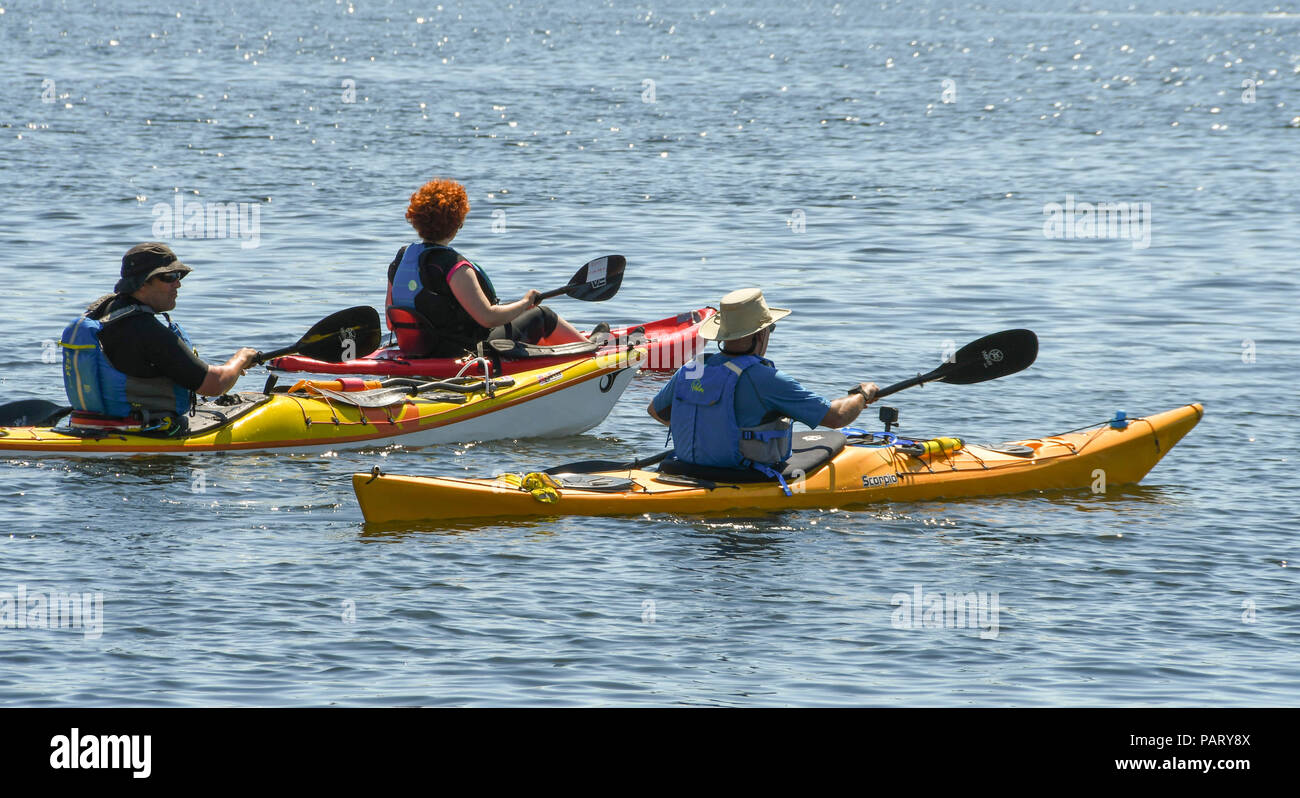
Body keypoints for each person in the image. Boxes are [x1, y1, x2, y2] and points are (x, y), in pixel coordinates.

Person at [648, 287, 880, 472]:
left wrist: (706, 432)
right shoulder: (766, 379)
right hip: (743, 474)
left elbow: (656, 412)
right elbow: (837, 416)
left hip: (687, 469)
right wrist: (862, 394)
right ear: (761, 335)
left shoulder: (693, 367)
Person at [386, 178, 591, 357]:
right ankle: (591, 353)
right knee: (542, 314)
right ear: (458, 222)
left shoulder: (402, 259)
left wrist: (518, 306)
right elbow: (488, 318)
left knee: (517, 310)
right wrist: (527, 301)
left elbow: (390, 321)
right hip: (464, 352)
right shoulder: (455, 266)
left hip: (417, 349)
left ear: (416, 220)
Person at [60, 243, 258, 428]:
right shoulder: (145, 329)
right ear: (142, 283)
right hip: (143, 432)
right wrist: (241, 359)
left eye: (178, 276)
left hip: (89, 425)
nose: (177, 284)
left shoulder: (103, 311)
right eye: (169, 277)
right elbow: (213, 384)